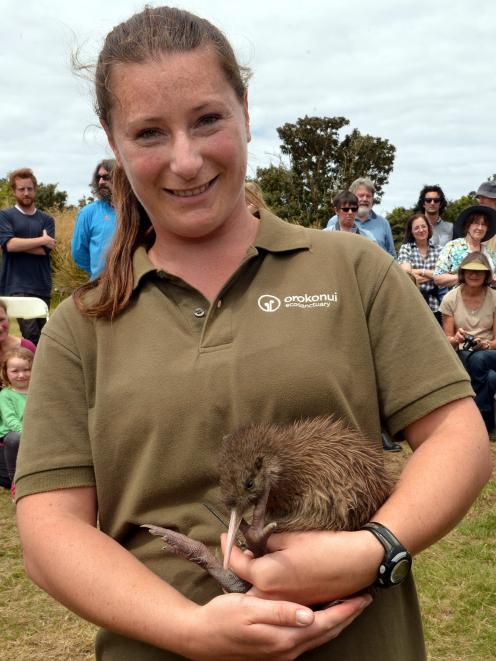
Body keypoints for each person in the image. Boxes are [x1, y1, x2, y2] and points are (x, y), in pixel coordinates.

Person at [15, 7, 491, 661]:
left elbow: (458, 436)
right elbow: (48, 532)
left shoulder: (351, 269)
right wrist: (191, 629)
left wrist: (374, 547)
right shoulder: (81, 327)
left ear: (244, 107)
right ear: (112, 138)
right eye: (149, 132)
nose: (185, 161)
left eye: (207, 120)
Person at [439, 252, 496, 435]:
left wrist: (486, 344)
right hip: (463, 352)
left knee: (479, 359)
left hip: (489, 352)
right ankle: (486, 422)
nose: (474, 275)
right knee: (491, 378)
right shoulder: (450, 298)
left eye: (479, 271)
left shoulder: (494, 298)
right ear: (462, 272)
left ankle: (479, 416)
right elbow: (447, 340)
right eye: (470, 270)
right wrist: (456, 339)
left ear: (487, 274)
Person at [0, 168, 55, 344]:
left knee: (46, 337)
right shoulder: (5, 216)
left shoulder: (46, 220)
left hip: (42, 284)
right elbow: (9, 245)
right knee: (31, 335)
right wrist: (42, 239)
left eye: (29, 189)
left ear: (35, 189)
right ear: (14, 191)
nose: (26, 193)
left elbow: (45, 250)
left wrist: (17, 243)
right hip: (16, 285)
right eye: (21, 189)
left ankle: (36, 369)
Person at [71, 159, 117, 279]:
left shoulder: (139, 210)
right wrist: (98, 273)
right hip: (101, 286)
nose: (101, 182)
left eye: (106, 177)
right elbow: (78, 252)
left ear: (121, 178)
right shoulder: (88, 212)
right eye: (98, 178)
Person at [325, 177, 396, 256]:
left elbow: (391, 253)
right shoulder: (334, 221)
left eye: (368, 196)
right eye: (361, 195)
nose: (365, 199)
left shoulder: (383, 223)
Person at [433, 205, 496, 289]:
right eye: (476, 223)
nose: (480, 228)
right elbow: (438, 278)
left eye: (484, 224)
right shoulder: (452, 247)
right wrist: (464, 277)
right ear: (468, 225)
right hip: (458, 299)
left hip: (487, 300)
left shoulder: (490, 253)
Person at [0, 346, 33, 499]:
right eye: (15, 371)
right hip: (12, 435)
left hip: (35, 431)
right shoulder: (6, 395)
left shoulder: (37, 390)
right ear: (6, 372)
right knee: (14, 439)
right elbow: (10, 419)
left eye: (26, 369)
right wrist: (26, 433)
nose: (21, 375)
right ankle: (15, 482)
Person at [398, 214, 442, 322]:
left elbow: (443, 274)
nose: (421, 230)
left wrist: (419, 271)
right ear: (411, 232)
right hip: (413, 303)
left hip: (435, 304)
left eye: (423, 226)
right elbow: (406, 274)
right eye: (416, 228)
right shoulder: (406, 248)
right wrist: (433, 276)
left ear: (428, 228)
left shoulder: (439, 249)